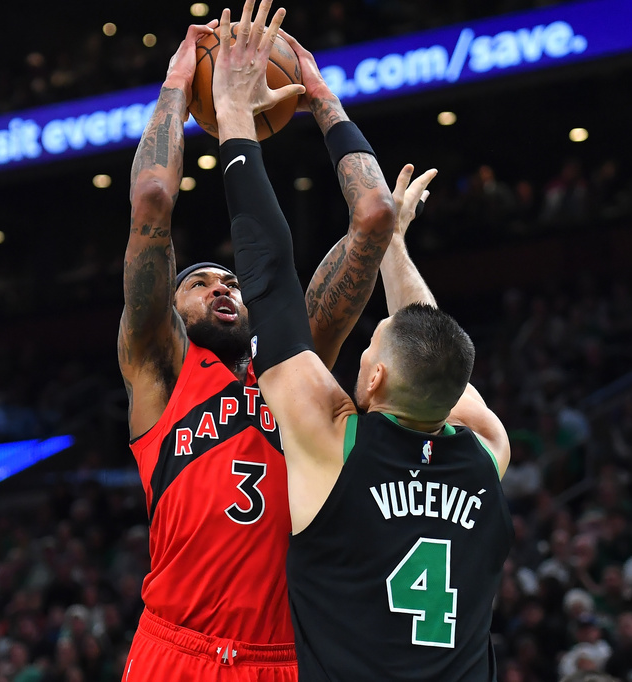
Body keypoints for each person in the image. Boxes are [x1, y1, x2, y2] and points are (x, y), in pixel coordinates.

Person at [211, 4, 512, 679]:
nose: (363, 353)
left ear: (372, 380)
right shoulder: (484, 452)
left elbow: (267, 279)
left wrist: (235, 114)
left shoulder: (334, 442)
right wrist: (393, 245)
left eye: (369, 346)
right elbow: (428, 346)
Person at [118, 2, 395, 678]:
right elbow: (152, 198)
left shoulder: (296, 368)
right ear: (170, 311)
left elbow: (374, 220)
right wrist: (179, 86)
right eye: (200, 281)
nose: (222, 286)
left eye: (233, 280)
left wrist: (323, 96)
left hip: (281, 659)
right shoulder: (160, 370)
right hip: (172, 648)